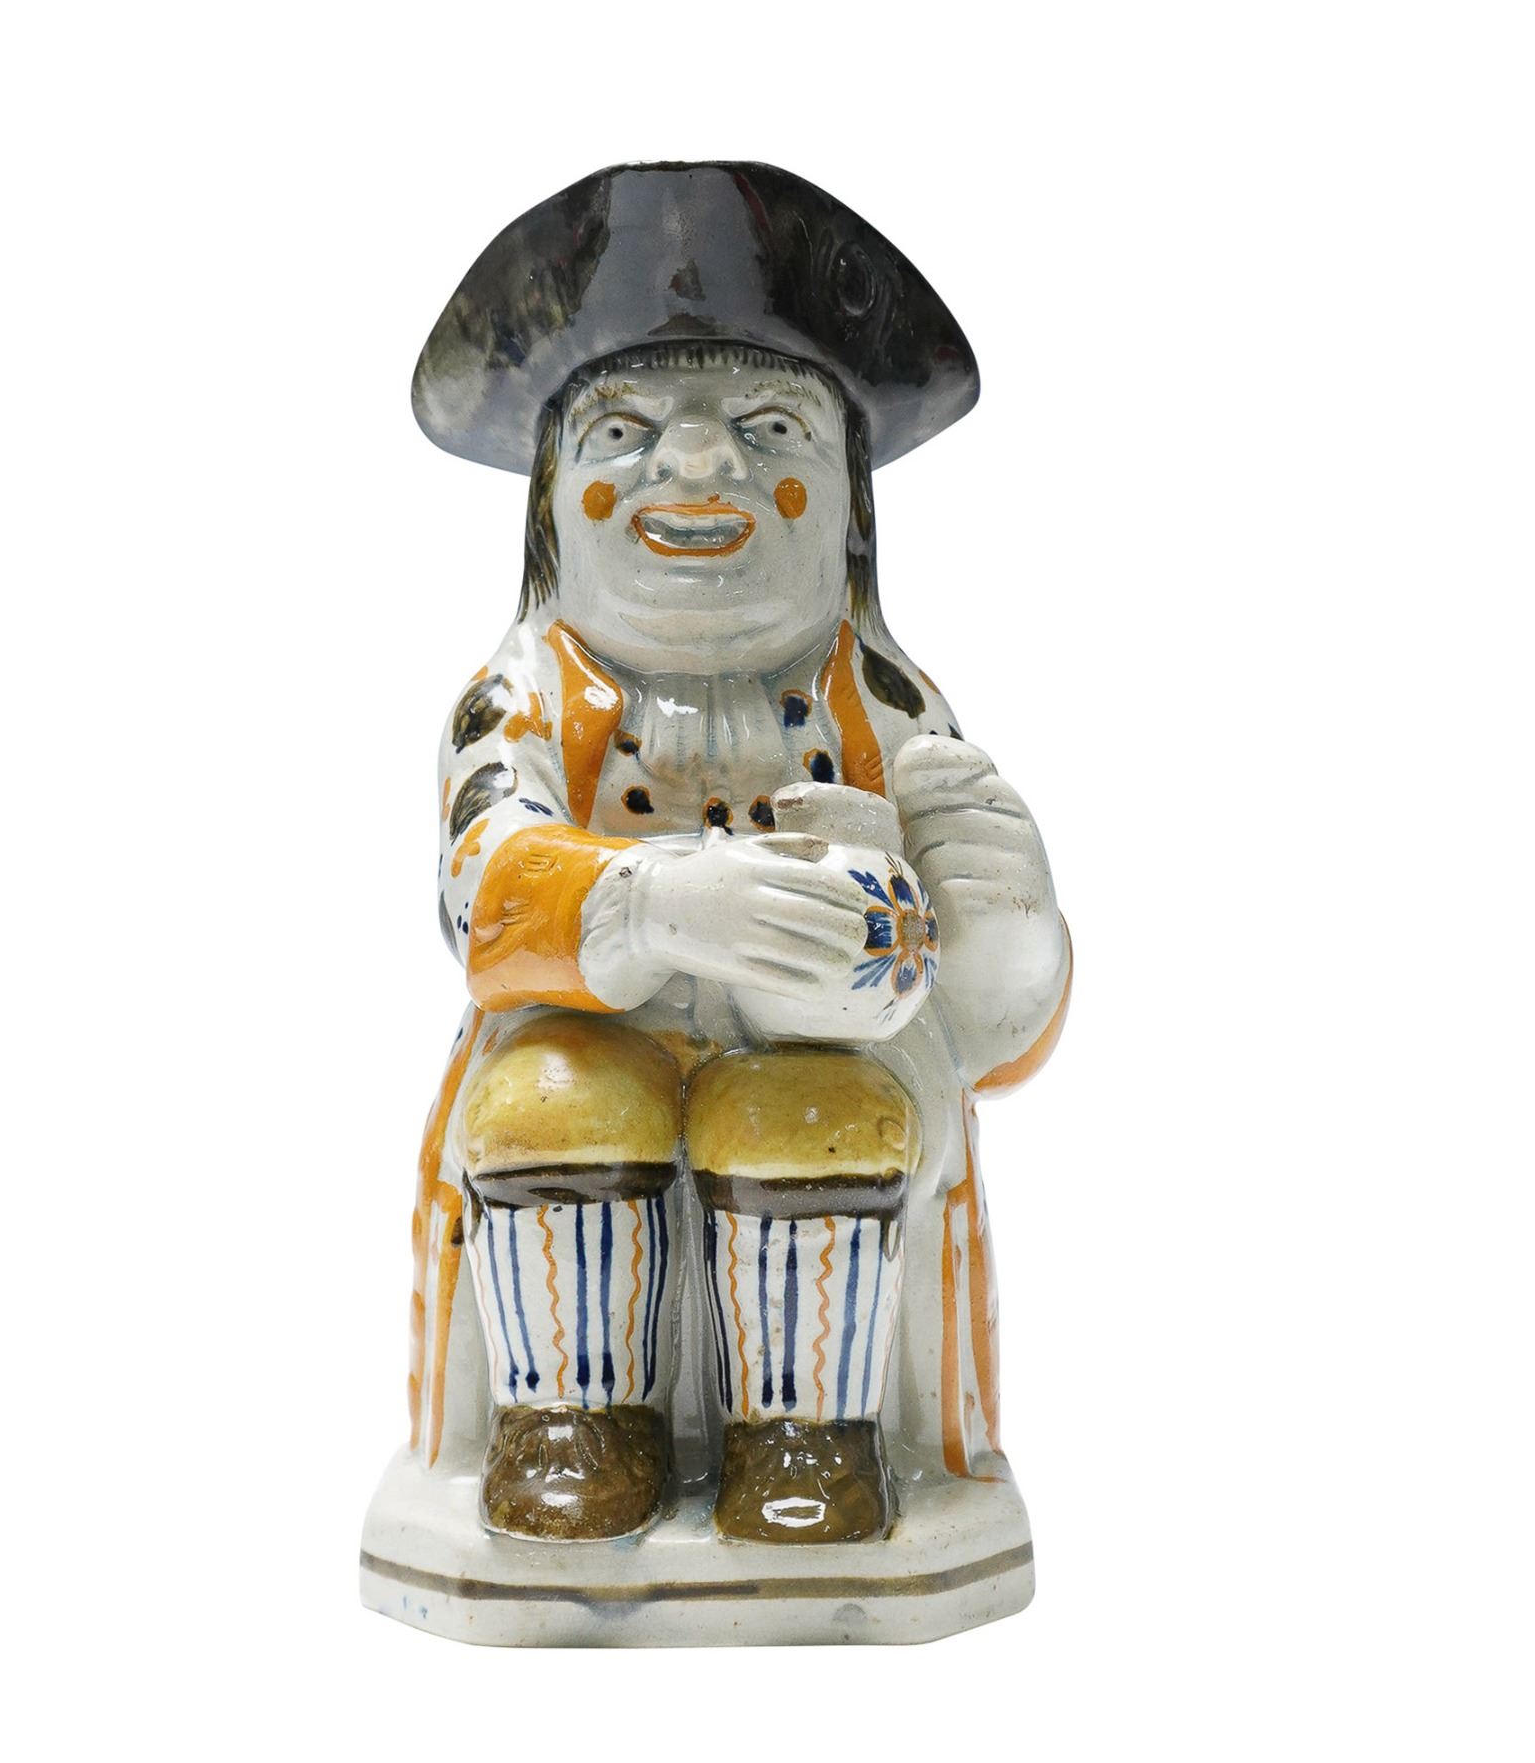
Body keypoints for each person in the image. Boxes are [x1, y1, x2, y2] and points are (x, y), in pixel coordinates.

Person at [399, 164, 1071, 1548]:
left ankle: (809, 1441)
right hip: (588, 1041)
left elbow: (988, 1027)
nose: (701, 466)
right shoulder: (526, 696)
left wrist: (1004, 933)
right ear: (552, 503)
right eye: (627, 430)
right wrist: (651, 904)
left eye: (769, 429)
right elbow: (482, 885)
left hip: (828, 1053)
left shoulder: (882, 706)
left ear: (847, 507)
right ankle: (574, 1420)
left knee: (819, 1112)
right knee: (555, 1100)